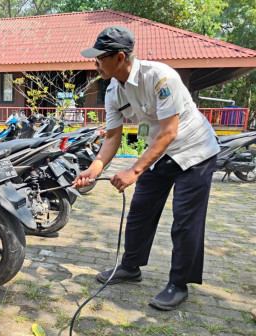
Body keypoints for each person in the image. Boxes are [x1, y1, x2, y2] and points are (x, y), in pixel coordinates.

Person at [73, 26, 220, 311]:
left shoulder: (160, 77)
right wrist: (94, 168)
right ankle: (130, 267)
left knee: (185, 220)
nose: (95, 63)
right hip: (161, 151)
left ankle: (179, 284)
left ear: (119, 57)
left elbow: (169, 131)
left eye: (99, 57)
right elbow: (113, 136)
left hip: (195, 150)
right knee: (140, 209)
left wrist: (133, 171)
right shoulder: (113, 90)